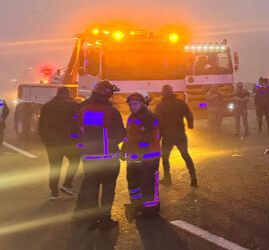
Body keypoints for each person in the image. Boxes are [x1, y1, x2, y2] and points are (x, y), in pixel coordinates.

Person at [75, 80, 126, 230]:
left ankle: (91, 221)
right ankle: (105, 220)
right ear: (108, 95)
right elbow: (120, 134)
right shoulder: (112, 112)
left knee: (91, 190)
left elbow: (77, 131)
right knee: (108, 191)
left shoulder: (83, 110)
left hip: (89, 159)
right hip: (108, 159)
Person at [122, 91, 162, 220]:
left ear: (142, 103)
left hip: (148, 157)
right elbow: (129, 137)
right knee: (133, 181)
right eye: (131, 104)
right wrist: (124, 149)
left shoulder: (148, 116)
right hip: (135, 157)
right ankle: (137, 205)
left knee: (147, 182)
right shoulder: (132, 117)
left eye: (135, 104)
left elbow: (146, 138)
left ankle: (151, 209)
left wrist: (139, 154)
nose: (132, 106)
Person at [38, 86, 80, 200]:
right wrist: (78, 138)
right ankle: (67, 183)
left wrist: (43, 137)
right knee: (75, 159)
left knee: (54, 166)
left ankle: (54, 192)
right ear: (67, 94)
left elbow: (40, 124)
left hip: (51, 142)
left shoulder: (46, 106)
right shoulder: (71, 105)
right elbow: (77, 122)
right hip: (67, 141)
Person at [155, 84, 197, 187]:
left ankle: (167, 177)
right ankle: (193, 177)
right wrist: (190, 125)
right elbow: (189, 114)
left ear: (163, 93)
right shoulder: (180, 103)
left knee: (165, 157)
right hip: (180, 135)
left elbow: (157, 123)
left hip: (167, 136)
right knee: (185, 155)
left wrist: (158, 138)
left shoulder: (160, 106)